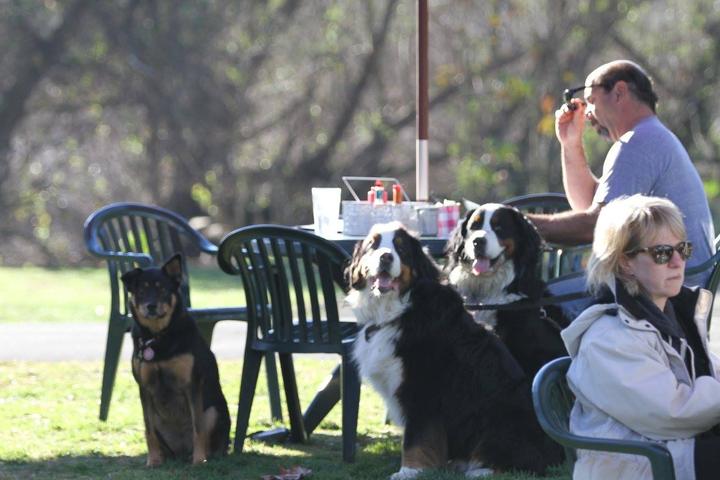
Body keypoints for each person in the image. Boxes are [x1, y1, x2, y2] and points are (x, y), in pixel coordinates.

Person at [562, 195, 720, 480]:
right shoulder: (608, 338)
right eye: (662, 253)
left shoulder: (675, 314)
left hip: (673, 448)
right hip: (638, 464)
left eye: (682, 249)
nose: (677, 261)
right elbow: (672, 413)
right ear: (625, 263)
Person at [526, 60, 714, 286]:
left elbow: (594, 224)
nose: (587, 114)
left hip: (669, 298)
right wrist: (570, 143)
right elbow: (589, 205)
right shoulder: (651, 136)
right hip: (682, 290)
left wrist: (518, 223)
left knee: (535, 302)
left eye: (592, 101)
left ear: (619, 92)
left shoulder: (638, 142)